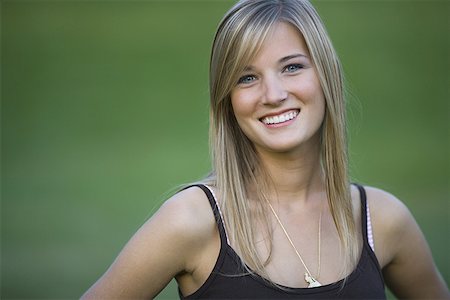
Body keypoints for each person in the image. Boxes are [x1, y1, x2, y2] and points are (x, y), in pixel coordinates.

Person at [82, 0, 449, 298]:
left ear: (327, 76)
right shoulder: (192, 222)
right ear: (227, 100)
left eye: (291, 67)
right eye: (247, 77)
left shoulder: (383, 222)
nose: (273, 95)